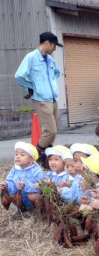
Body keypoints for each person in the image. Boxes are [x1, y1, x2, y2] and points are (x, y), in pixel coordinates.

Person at [14, 32, 63, 166]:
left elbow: (56, 73)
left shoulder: (50, 60)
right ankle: (36, 153)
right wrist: (32, 86)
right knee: (50, 130)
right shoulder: (31, 57)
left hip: (53, 98)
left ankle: (47, 159)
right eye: (54, 45)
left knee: (53, 132)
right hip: (41, 99)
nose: (55, 49)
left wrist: (50, 84)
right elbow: (19, 76)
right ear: (47, 43)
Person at [0, 142, 45, 213]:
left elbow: (40, 186)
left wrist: (25, 185)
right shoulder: (14, 169)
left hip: (31, 197)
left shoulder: (36, 171)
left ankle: (40, 209)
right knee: (10, 194)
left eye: (22, 155)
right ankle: (21, 208)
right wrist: (6, 184)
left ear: (31, 159)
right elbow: (10, 180)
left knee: (33, 196)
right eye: (16, 154)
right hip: (20, 197)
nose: (18, 156)